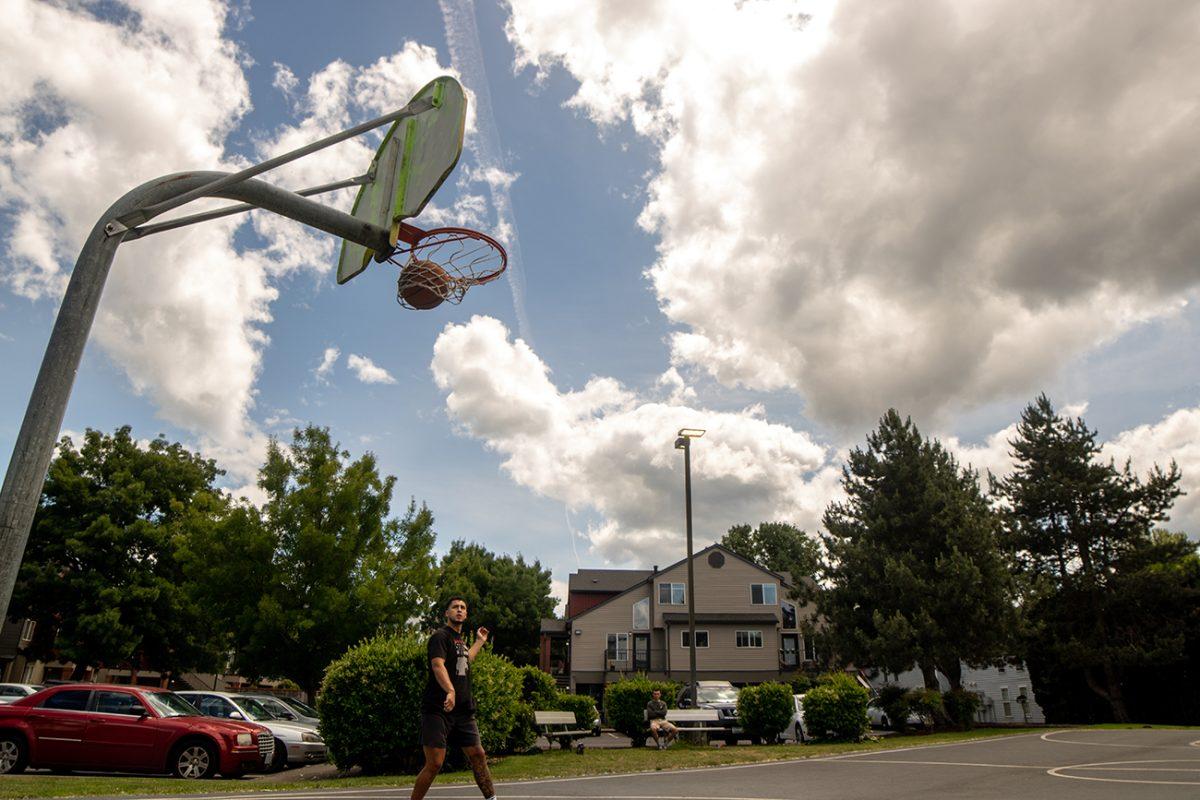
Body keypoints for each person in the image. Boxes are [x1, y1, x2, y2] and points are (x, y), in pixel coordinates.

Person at [411, 597, 496, 800]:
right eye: (455, 607)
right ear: (447, 613)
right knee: (435, 763)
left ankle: (492, 799)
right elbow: (437, 665)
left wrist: (479, 642)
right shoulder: (440, 637)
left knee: (478, 755)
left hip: (464, 712)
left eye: (463, 608)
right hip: (438, 710)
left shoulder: (460, 641)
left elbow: (466, 659)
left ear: (466, 615)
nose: (459, 610)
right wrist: (450, 690)